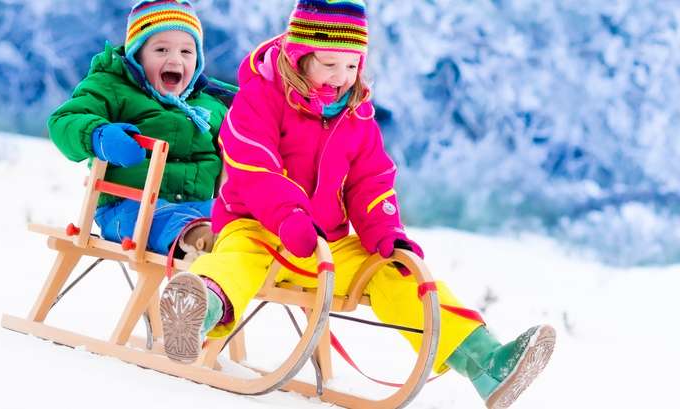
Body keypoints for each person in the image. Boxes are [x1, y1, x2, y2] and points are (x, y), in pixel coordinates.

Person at [159, 1, 555, 408]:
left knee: (394, 272)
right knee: (236, 261)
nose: (342, 77)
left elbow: (371, 181)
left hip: (325, 244)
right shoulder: (261, 98)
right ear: (299, 57)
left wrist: (386, 232)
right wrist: (288, 216)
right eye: (330, 64)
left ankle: (487, 363)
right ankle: (197, 311)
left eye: (352, 67)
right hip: (256, 225)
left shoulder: (356, 115)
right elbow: (253, 164)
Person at [48, 0, 236, 259]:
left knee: (239, 220)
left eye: (186, 52)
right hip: (126, 207)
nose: (175, 59)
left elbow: (247, 135)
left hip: (199, 207)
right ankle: (197, 242)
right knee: (158, 218)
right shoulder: (113, 86)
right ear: (137, 55)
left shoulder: (211, 104)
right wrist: (98, 135)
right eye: (161, 49)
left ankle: (258, 252)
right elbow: (64, 120)